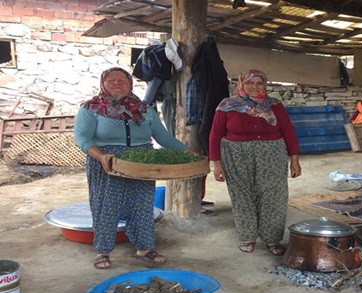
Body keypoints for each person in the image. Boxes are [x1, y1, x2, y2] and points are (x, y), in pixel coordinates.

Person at [74, 67, 196, 269]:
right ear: (102, 83)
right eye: (111, 79)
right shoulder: (91, 108)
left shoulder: (144, 108)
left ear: (130, 84)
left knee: (141, 205)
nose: (117, 83)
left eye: (122, 79)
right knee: (107, 207)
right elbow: (82, 139)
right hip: (108, 162)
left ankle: (145, 249)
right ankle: (103, 251)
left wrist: (186, 151)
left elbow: (162, 137)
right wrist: (101, 156)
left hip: (143, 163)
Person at [209, 69, 301, 255]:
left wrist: (295, 159)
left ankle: (272, 238)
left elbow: (288, 131)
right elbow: (215, 135)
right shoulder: (227, 105)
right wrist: (216, 164)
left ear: (265, 85)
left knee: (273, 194)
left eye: (259, 83)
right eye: (250, 83)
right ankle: (247, 236)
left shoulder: (274, 105)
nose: (255, 87)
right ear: (241, 84)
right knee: (242, 195)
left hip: (271, 153)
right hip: (236, 154)